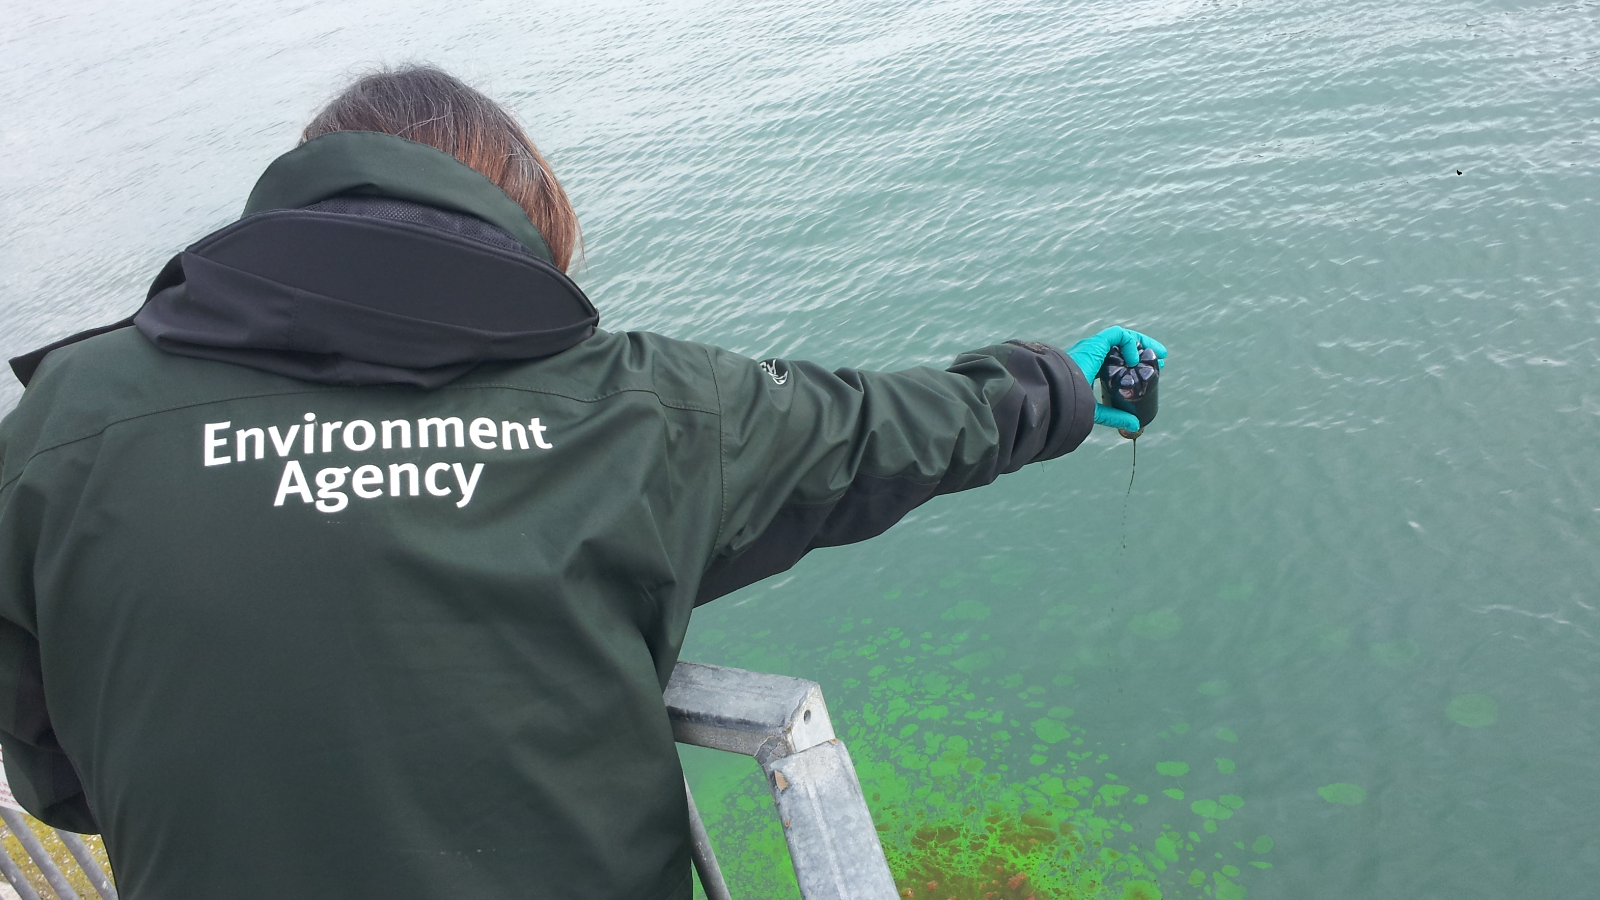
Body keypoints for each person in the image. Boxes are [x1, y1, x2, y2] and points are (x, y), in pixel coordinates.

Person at [0, 66, 1166, 899]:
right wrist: (1059, 385)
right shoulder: (643, 408)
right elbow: (874, 430)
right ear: (528, 216)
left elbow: (55, 776)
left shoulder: (64, 426)